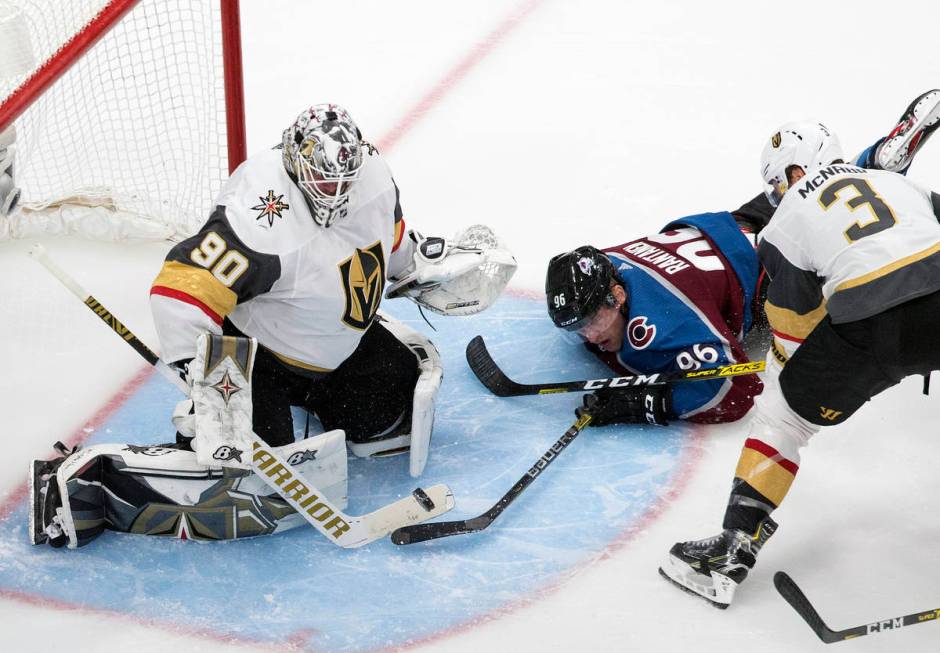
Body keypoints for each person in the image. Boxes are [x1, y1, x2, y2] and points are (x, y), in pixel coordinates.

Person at [28, 103, 517, 548]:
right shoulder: (261, 216)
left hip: (340, 345)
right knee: (250, 486)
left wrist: (420, 265)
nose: (338, 192)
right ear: (299, 166)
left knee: (393, 421)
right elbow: (181, 290)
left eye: (345, 179)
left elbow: (388, 240)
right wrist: (209, 379)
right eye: (325, 181)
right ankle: (93, 484)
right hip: (260, 359)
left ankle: (315, 399)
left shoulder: (372, 176)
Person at [660, 90, 940, 608]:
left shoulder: (782, 223)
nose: (774, 193)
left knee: (783, 417)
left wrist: (789, 370)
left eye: (775, 181)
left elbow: (791, 327)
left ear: (789, 175)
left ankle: (731, 549)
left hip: (873, 319)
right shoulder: (896, 182)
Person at [544, 90, 940, 429]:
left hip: (768, 266)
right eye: (577, 326)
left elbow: (734, 392)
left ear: (617, 294)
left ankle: (867, 174)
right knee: (801, 201)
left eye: (593, 320)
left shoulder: (660, 324)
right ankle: (861, 168)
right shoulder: (607, 262)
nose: (590, 336)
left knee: (820, 245)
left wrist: (649, 405)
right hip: (733, 227)